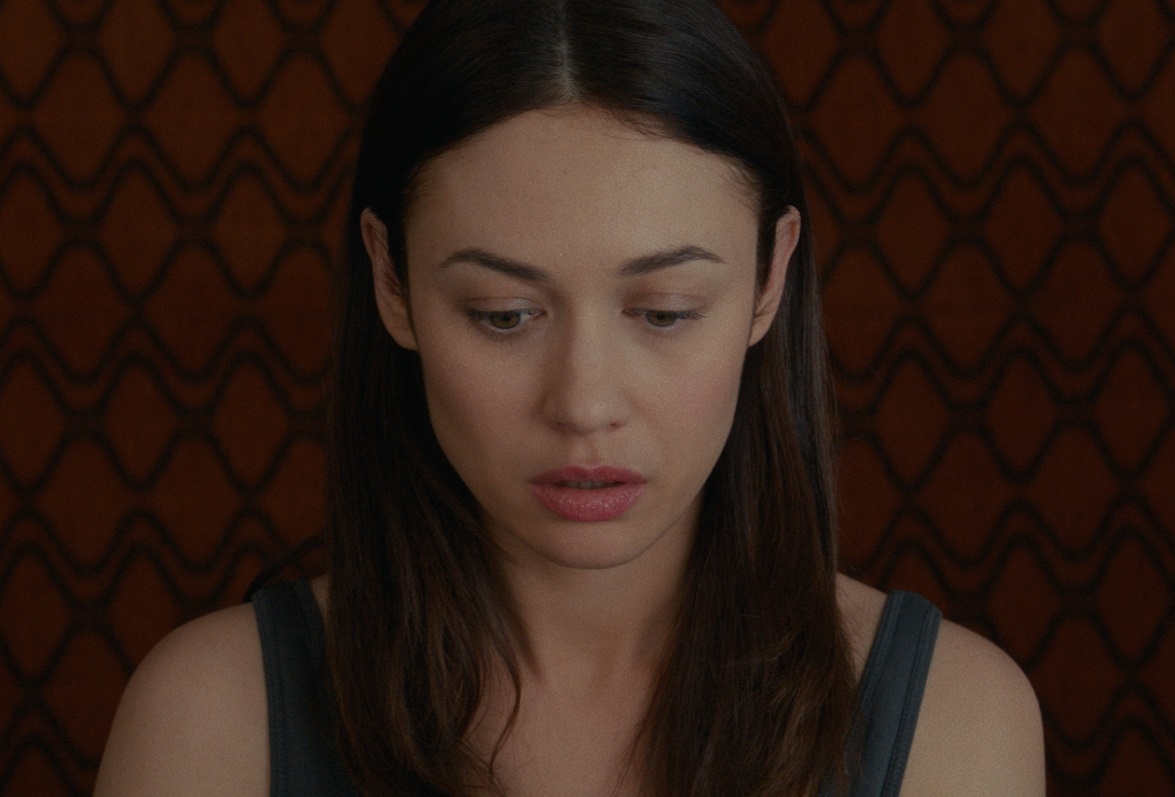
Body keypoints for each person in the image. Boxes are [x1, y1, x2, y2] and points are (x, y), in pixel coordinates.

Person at [94, 0, 1045, 795]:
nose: (585, 403)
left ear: (769, 279)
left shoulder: (949, 718)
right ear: (392, 281)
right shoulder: (211, 720)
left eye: (664, 312)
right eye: (504, 315)